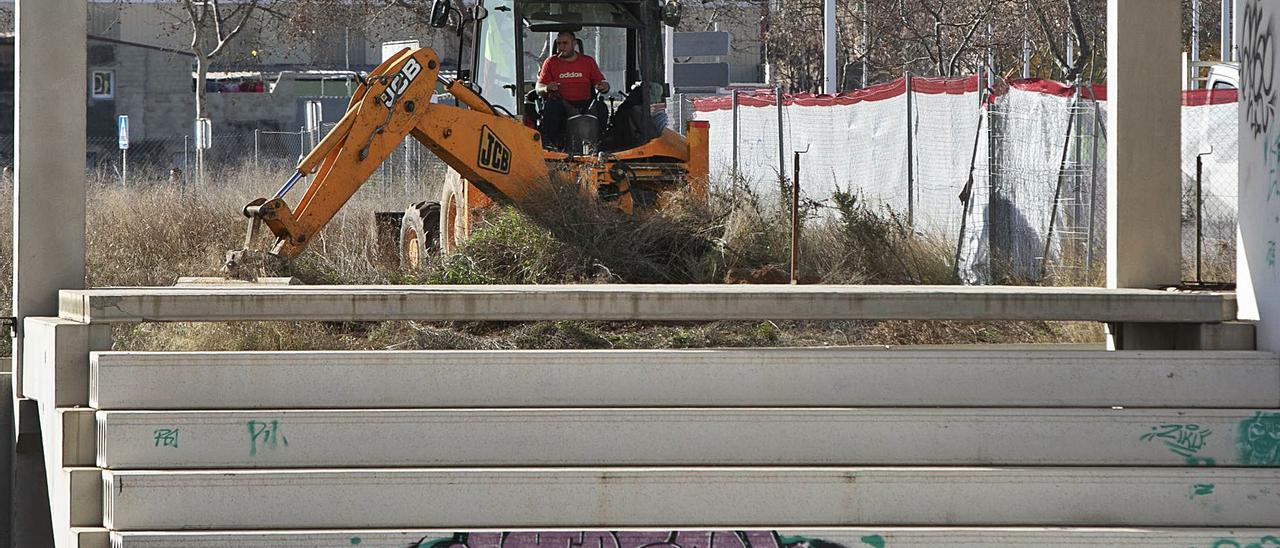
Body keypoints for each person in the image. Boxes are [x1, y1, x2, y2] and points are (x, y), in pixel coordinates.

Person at [536, 31, 610, 149]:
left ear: (574, 43)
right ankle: (553, 145)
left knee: (602, 108)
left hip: (585, 103)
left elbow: (601, 83)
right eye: (559, 43)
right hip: (560, 103)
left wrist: (604, 87)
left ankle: (598, 143)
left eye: (565, 43)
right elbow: (538, 88)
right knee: (551, 108)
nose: (561, 47)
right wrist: (546, 87)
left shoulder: (588, 61)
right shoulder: (550, 62)